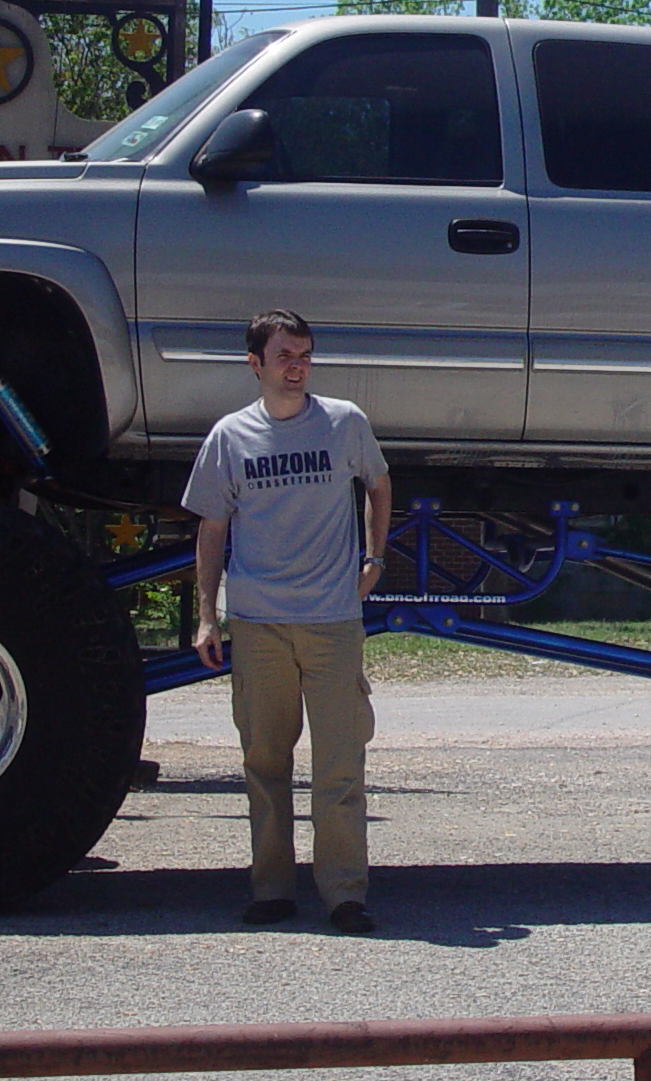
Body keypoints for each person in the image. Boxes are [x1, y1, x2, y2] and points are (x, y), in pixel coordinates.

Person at [185, 309, 392, 933]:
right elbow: (211, 529)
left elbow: (380, 486)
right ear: (256, 364)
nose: (297, 366)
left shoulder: (344, 423)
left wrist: (374, 558)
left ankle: (344, 894)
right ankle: (272, 890)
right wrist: (206, 616)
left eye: (304, 355)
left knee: (340, 767)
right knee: (265, 763)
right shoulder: (229, 437)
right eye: (284, 356)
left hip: (332, 621)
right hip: (258, 624)